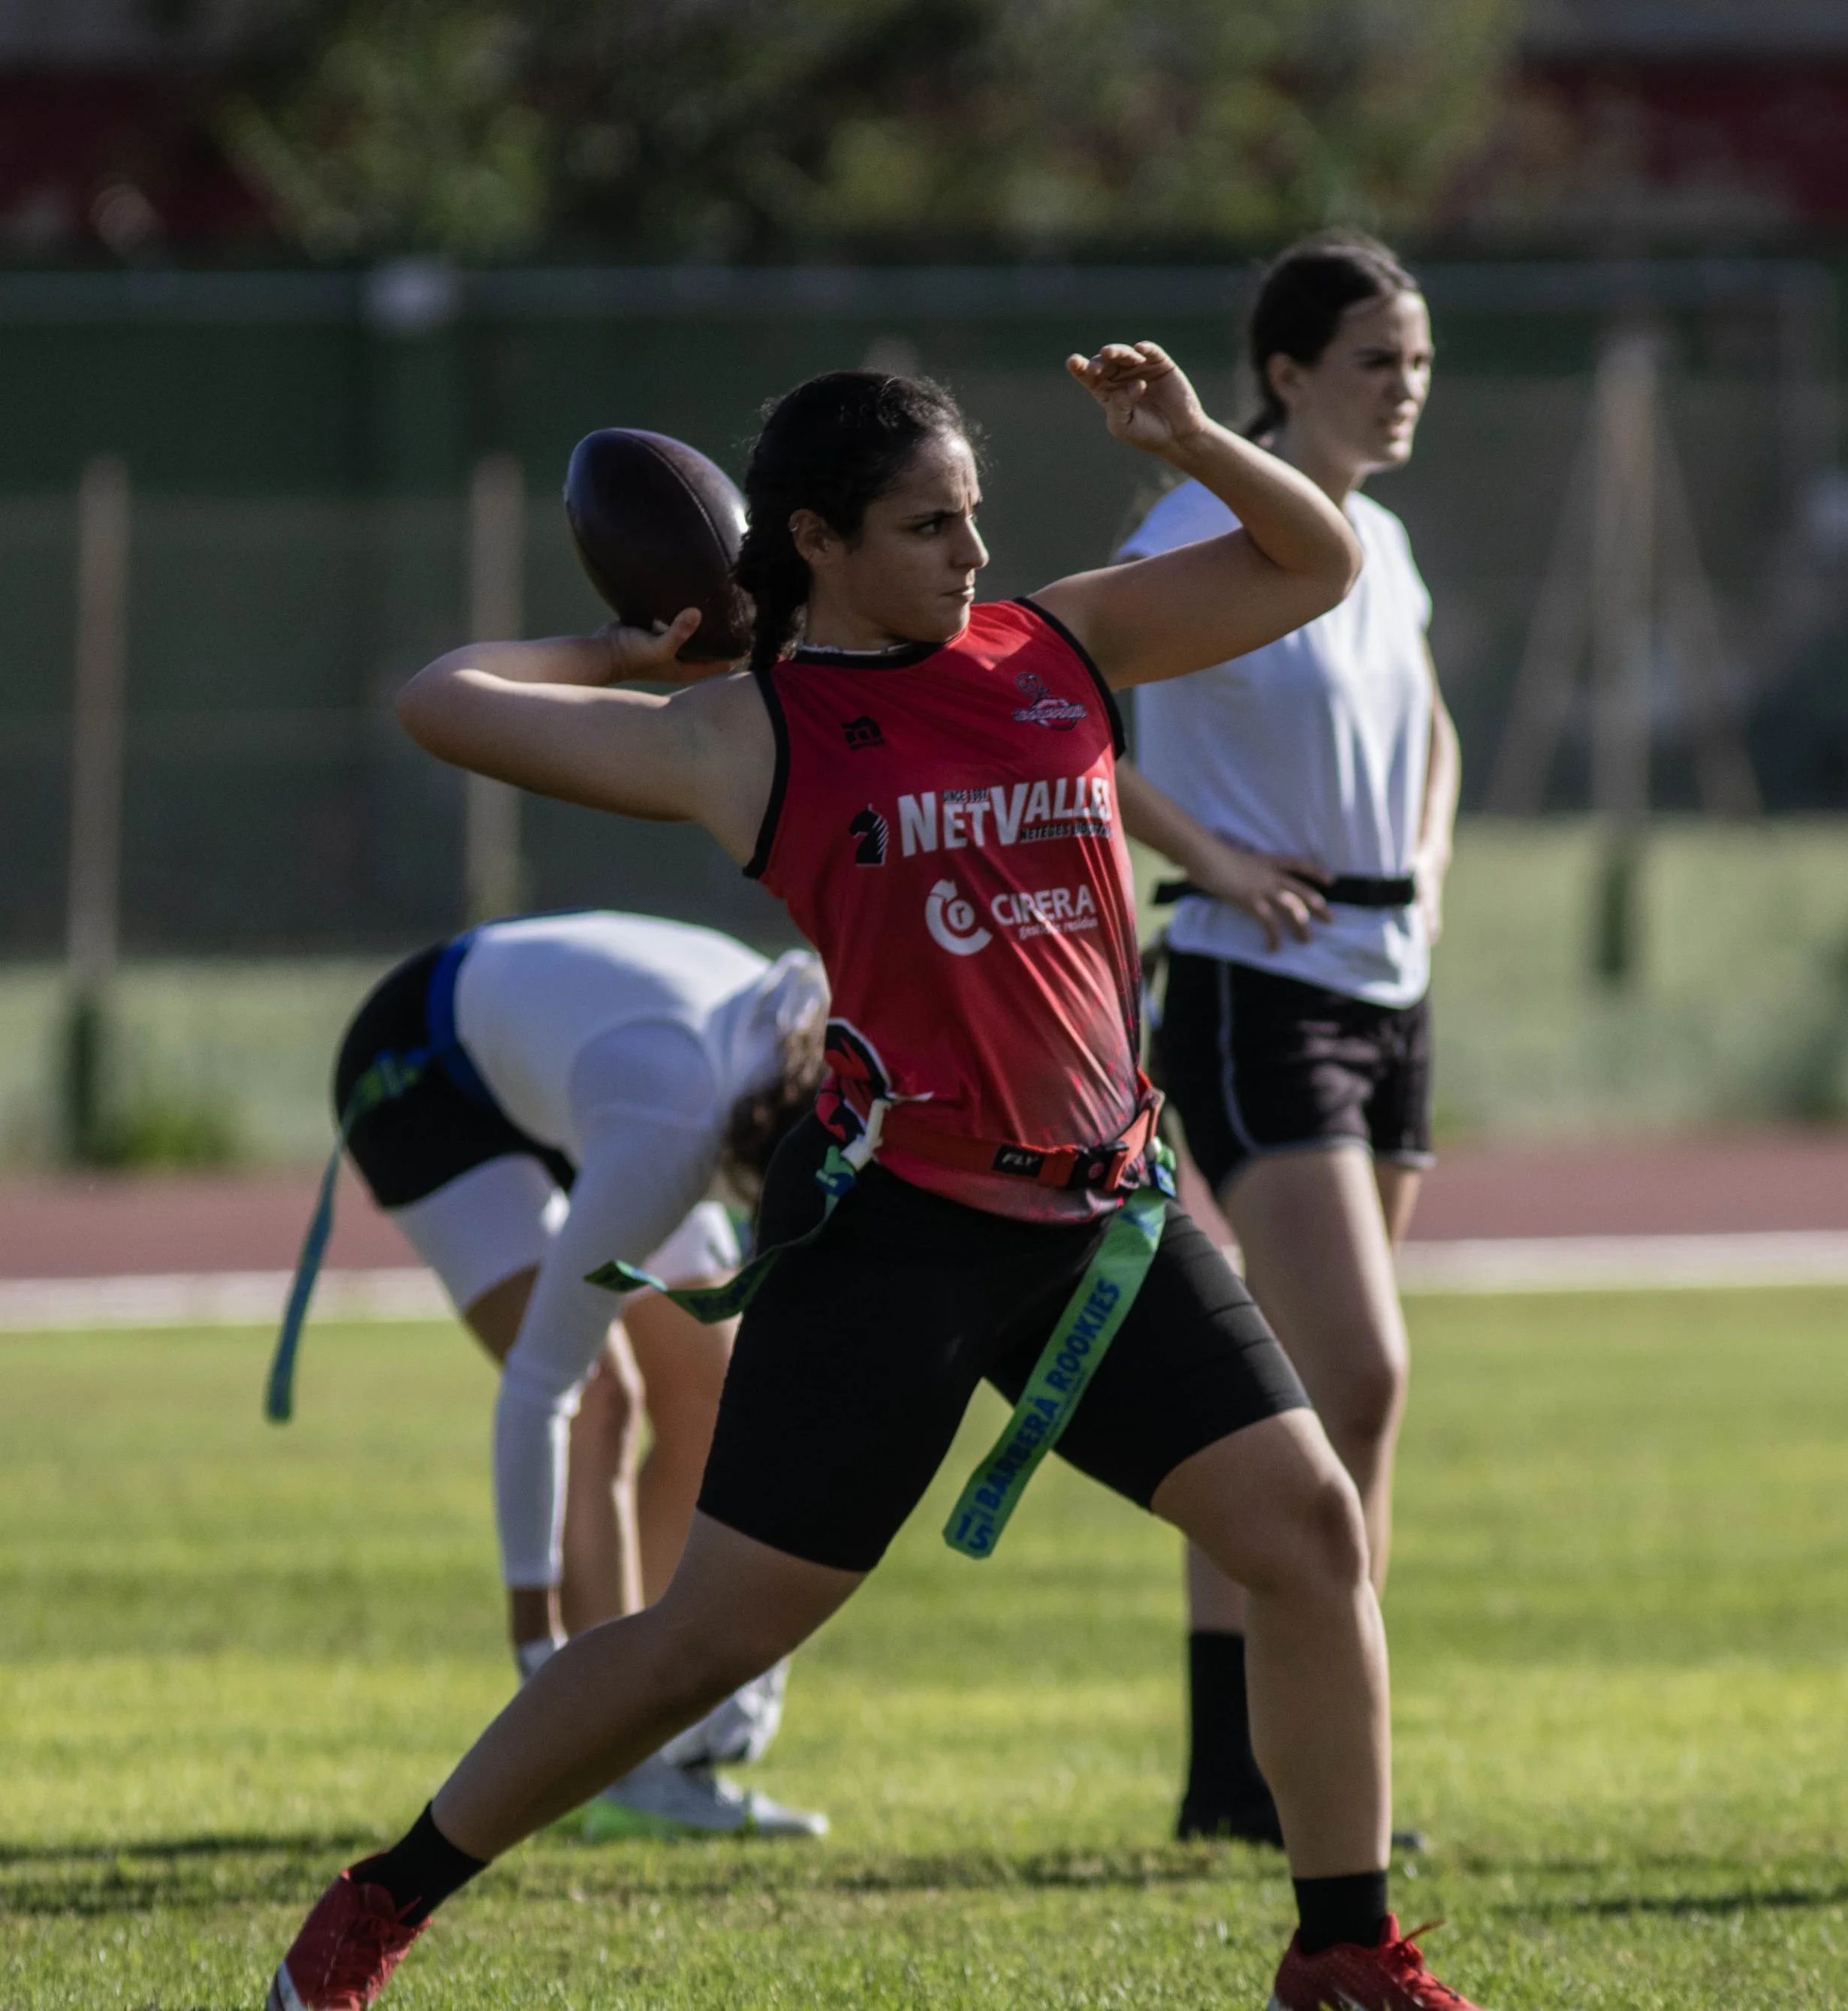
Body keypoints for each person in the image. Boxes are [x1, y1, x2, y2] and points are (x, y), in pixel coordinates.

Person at [267, 340, 1488, 2011]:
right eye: (927, 526)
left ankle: (1340, 1949)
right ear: (817, 538)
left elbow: (1317, 559)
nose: (969, 555)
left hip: (1101, 1218)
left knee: (1307, 1526)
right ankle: (376, 1906)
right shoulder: (741, 733)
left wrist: (1196, 436)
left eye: (974, 516)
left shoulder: (1056, 640)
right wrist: (628, 653)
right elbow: (440, 700)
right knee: (707, 1636)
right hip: (893, 1235)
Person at [1111, 233, 1460, 1847]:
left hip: (1386, 982)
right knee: (1355, 1378)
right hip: (1255, 984)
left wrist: (1434, 870)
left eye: (1417, 362)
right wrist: (1213, 859)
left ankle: (1247, 1783)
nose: (1403, 390)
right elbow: (1058, 714)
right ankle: (1297, 1771)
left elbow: (1428, 724)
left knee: (1295, 1404)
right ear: (1284, 375)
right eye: (1374, 360)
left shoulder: (1378, 541)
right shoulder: (1200, 519)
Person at [332, 909, 831, 1838]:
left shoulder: (785, 1067)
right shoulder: (674, 1128)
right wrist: (536, 1635)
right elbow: (539, 1389)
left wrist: (745, 1642)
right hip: (429, 1068)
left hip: (588, 1072)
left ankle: (649, 1707)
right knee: (600, 1392)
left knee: (713, 1389)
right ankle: (611, 1758)